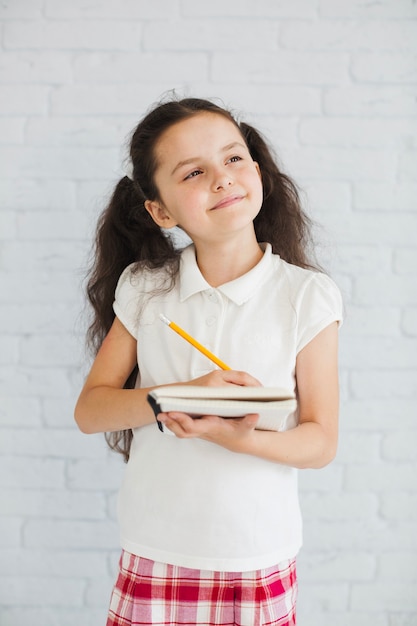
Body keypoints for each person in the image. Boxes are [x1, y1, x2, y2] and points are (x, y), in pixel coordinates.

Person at [74, 96, 343, 626]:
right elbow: (91, 412)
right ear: (160, 211)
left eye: (234, 158)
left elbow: (319, 443)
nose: (222, 179)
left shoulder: (307, 295)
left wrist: (234, 435)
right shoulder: (145, 287)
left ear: (257, 173)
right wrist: (182, 395)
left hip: (257, 552)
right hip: (157, 544)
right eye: (194, 172)